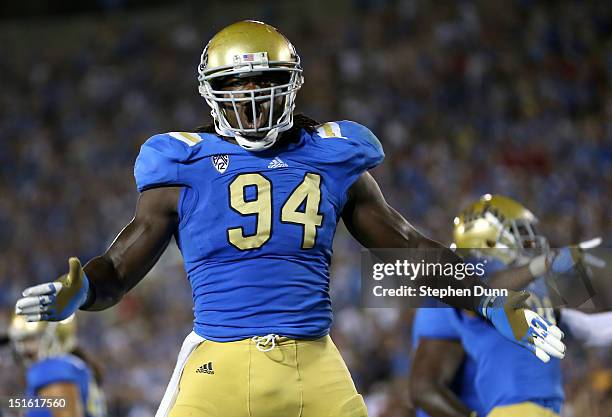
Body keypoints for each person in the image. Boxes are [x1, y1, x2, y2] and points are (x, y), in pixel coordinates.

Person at [14, 21, 564, 417]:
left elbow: (411, 252)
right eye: (236, 86)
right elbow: (119, 266)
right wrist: (84, 287)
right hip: (219, 364)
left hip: (312, 359)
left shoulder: (332, 156)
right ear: (213, 95)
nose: (250, 96)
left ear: (291, 84)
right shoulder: (182, 163)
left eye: (262, 82)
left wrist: (489, 293)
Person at [410, 194, 612, 417]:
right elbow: (424, 388)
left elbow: (584, 328)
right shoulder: (452, 292)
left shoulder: (526, 290)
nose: (531, 241)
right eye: (520, 232)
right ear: (488, 239)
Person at [8, 314, 106, 417]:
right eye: (21, 341)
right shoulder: (70, 366)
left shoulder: (54, 369)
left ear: (55, 337)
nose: (24, 349)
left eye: (31, 339)